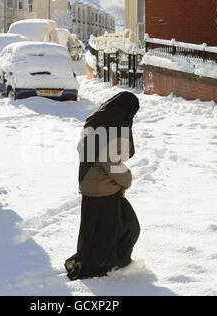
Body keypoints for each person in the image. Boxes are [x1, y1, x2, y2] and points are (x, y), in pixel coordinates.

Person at [65, 91, 141, 281]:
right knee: (125, 227)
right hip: (105, 188)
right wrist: (127, 179)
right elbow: (112, 163)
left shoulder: (96, 119)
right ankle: (99, 265)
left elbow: (85, 149)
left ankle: (92, 261)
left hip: (89, 182)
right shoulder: (117, 126)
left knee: (93, 230)